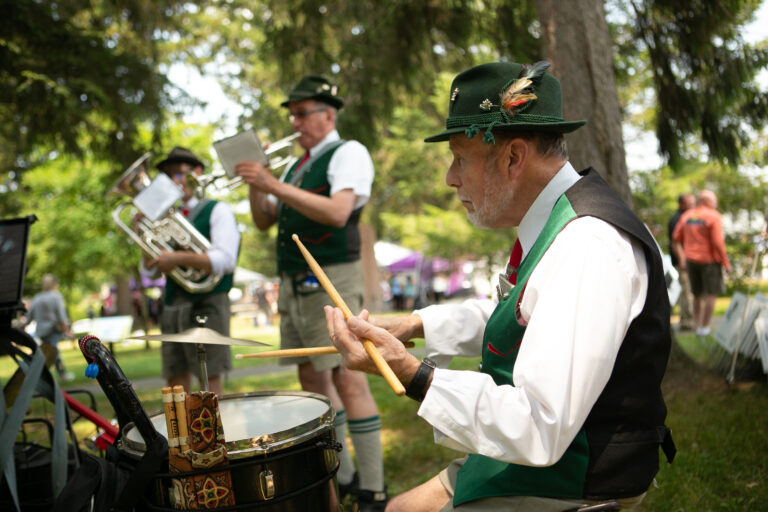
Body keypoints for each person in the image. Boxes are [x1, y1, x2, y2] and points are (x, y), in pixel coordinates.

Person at [325, 61, 676, 512]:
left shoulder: (587, 244)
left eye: (459, 158)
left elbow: (539, 424)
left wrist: (414, 375)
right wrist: (413, 324)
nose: (451, 178)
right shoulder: (553, 222)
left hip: (578, 476)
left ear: (513, 157)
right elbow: (520, 311)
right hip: (550, 460)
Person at [235, 76, 387, 510]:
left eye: (303, 113)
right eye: (293, 113)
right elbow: (265, 220)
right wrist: (253, 180)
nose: (295, 121)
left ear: (328, 114)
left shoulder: (348, 151)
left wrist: (272, 183)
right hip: (297, 284)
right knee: (311, 379)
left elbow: (339, 212)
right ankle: (346, 475)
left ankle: (374, 489)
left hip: (333, 275)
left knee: (349, 377)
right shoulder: (295, 165)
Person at [140, 146, 240, 397]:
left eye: (179, 174)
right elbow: (150, 271)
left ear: (196, 173)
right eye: (168, 176)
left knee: (209, 382)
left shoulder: (217, 210)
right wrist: (143, 232)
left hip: (207, 304)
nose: (174, 182)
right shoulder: (162, 218)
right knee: (175, 385)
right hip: (173, 305)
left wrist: (178, 258)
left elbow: (226, 260)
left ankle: (216, 434)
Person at [672, 189, 731, 337]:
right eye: (714, 200)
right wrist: (726, 262)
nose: (716, 203)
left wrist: (682, 258)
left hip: (691, 261)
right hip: (709, 261)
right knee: (711, 294)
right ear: (707, 201)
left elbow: (675, 239)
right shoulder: (713, 216)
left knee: (697, 295)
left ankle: (697, 325)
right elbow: (718, 242)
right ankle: (705, 327)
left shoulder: (687, 216)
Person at [26, 274, 74, 382]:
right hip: (53, 330)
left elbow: (29, 316)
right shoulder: (56, 296)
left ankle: (48, 375)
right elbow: (61, 316)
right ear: (54, 284)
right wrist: (66, 330)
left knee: (50, 352)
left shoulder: (37, 297)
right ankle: (59, 375)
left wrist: (22, 325)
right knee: (53, 353)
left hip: (41, 331)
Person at [668, 194, 696, 330]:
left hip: (688, 262)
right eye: (690, 203)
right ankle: (686, 322)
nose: (693, 205)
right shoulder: (677, 219)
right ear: (681, 204)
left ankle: (691, 319)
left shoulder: (688, 218)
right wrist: (682, 260)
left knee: (689, 292)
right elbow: (675, 242)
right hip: (683, 263)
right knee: (686, 292)